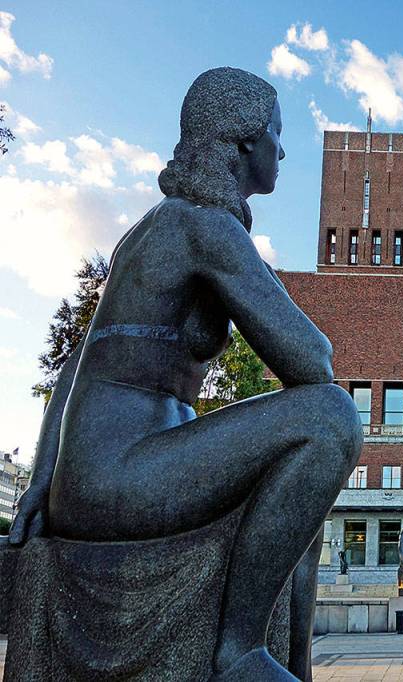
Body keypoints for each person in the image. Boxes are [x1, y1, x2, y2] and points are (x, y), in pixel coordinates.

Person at [5, 67, 363, 681]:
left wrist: (44, 480)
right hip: (120, 474)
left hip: (98, 474)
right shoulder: (204, 227)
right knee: (329, 420)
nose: (282, 152)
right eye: (277, 134)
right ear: (244, 139)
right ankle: (239, 650)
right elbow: (314, 363)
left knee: (303, 509)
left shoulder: (154, 227)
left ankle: (289, 668)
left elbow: (76, 365)